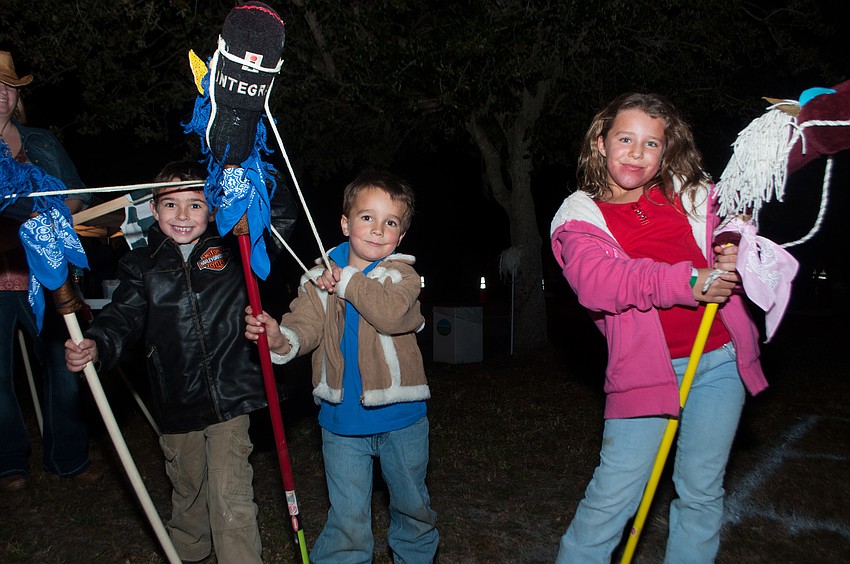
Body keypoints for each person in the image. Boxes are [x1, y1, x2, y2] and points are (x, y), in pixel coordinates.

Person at [549, 92, 771, 563]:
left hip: (720, 359)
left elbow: (735, 214)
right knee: (613, 498)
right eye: (625, 138)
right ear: (600, 142)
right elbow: (598, 283)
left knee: (701, 492)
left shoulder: (688, 194)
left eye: (652, 144)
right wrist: (690, 281)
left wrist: (733, 241)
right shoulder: (578, 215)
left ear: (666, 152)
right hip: (645, 372)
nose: (636, 152)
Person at [64, 161, 267, 563]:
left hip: (232, 392)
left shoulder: (233, 247)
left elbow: (279, 218)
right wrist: (97, 345)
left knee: (232, 496)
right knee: (189, 492)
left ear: (212, 209)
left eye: (195, 204)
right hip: (176, 398)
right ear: (154, 211)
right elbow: (122, 317)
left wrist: (243, 170)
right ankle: (189, 552)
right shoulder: (141, 265)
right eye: (171, 205)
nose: (183, 215)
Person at [245, 170, 439, 563]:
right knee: (348, 520)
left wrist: (347, 280)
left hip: (402, 420)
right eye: (367, 217)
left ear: (400, 237)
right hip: (341, 423)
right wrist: (280, 337)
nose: (377, 229)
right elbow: (306, 327)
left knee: (412, 512)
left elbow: (387, 313)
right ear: (346, 223)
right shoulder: (318, 278)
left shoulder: (402, 275)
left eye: (391, 223)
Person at [0, 49, 100, 492]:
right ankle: (8, 464)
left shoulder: (40, 141)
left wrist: (52, 216)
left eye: (8, 88)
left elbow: (82, 195)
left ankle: (68, 458)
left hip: (50, 278)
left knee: (66, 367)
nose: (1, 95)